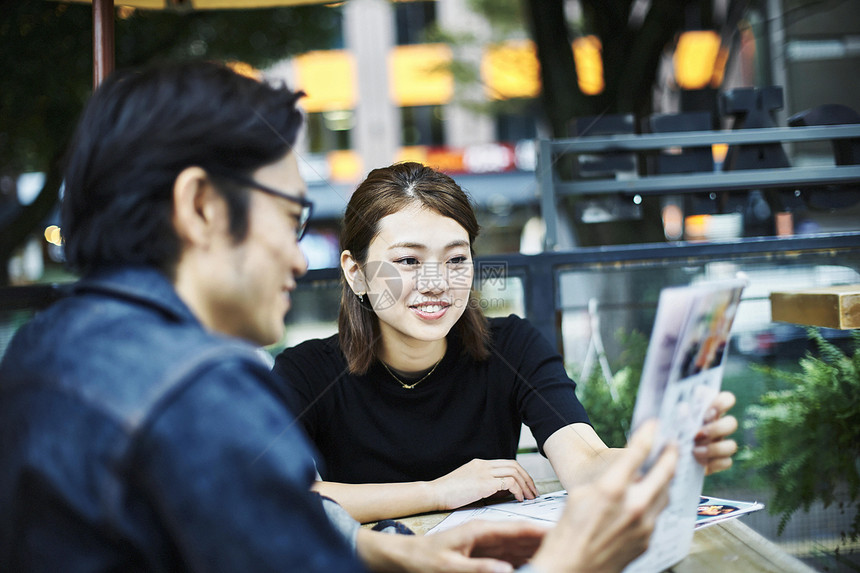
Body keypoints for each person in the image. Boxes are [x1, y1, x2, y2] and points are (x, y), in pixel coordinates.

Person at [0, 60, 679, 573]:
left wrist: (388, 553)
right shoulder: (198, 391)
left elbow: (254, 521)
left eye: (456, 256)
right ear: (202, 206)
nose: (299, 261)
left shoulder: (42, 345)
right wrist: (574, 563)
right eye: (290, 217)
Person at [273, 162, 739, 524]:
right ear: (356, 272)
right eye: (409, 260)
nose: (436, 282)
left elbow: (587, 460)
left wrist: (658, 458)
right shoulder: (304, 372)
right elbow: (279, 495)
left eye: (456, 259)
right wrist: (436, 492)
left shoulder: (512, 346)